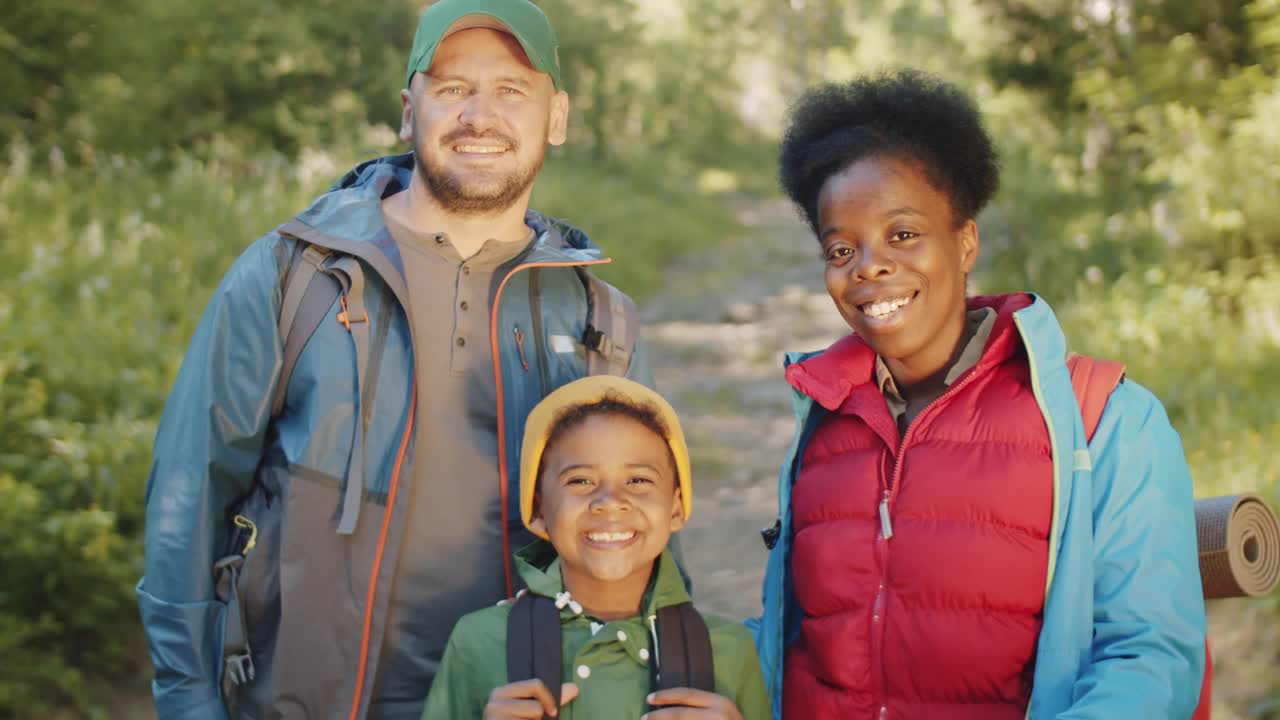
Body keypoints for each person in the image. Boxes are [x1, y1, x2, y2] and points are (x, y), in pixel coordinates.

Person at [136, 1, 658, 718]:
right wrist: (189, 699)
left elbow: (646, 542)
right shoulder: (295, 278)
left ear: (557, 117)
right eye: (452, 89)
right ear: (409, 112)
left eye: (511, 90)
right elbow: (187, 496)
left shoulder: (600, 320)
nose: (480, 114)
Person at [751, 69, 1206, 719]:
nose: (869, 267)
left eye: (902, 234)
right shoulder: (821, 422)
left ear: (965, 242)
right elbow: (796, 646)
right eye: (841, 247)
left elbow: (1150, 655)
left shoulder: (1104, 420)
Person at [421, 376, 769, 720]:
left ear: (676, 507)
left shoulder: (727, 650)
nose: (610, 502)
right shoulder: (480, 641)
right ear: (539, 509)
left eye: (638, 480)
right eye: (581, 480)